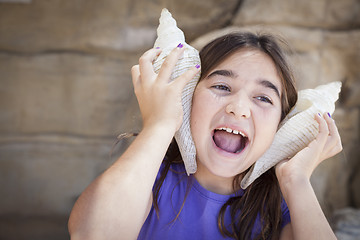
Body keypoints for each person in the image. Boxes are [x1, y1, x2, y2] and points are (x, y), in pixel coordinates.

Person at [68, 32, 342, 240]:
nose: (239, 108)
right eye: (222, 86)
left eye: (263, 98)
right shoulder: (148, 181)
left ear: (279, 127)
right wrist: (160, 124)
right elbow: (90, 234)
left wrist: (296, 180)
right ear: (188, 101)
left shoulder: (282, 208)